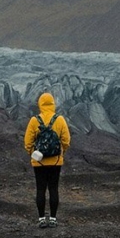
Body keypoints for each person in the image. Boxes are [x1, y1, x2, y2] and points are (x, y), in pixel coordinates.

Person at [24, 92, 71, 228]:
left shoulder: (34, 120)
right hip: (56, 162)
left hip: (38, 162)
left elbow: (27, 142)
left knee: (40, 189)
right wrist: (61, 153)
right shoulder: (60, 119)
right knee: (53, 189)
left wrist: (34, 154)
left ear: (40, 104)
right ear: (53, 104)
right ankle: (53, 219)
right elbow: (66, 140)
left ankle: (41, 219)